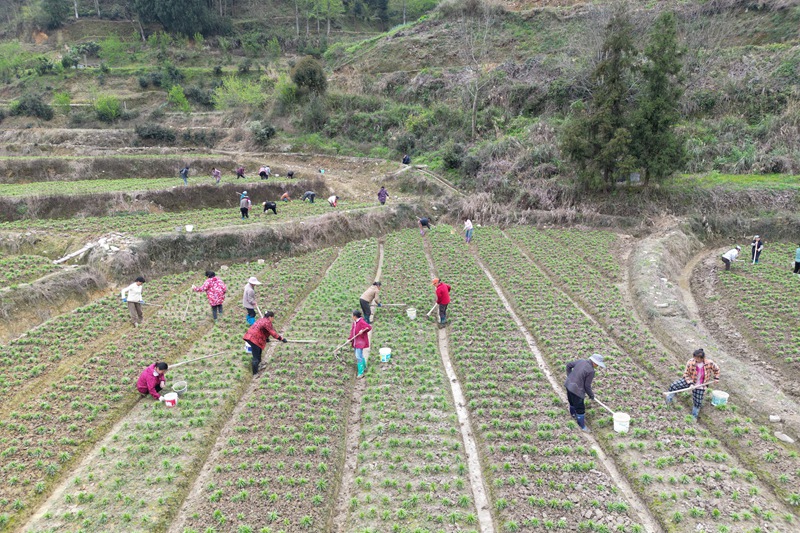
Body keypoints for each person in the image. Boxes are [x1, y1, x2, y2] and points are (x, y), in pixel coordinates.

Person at [666, 348, 721, 420]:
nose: (695, 360)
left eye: (696, 359)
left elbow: (717, 369)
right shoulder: (691, 362)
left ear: (702, 358)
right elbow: (686, 374)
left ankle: (693, 418)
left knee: (697, 402)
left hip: (701, 385)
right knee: (674, 386)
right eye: (694, 358)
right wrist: (691, 383)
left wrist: (716, 378)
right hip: (690, 381)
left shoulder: (709, 363)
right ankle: (667, 403)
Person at [565, 353, 606, 432]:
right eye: (597, 365)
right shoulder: (591, 371)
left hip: (568, 385)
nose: (597, 366)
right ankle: (582, 426)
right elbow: (587, 386)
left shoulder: (581, 361)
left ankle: (573, 414)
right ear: (594, 362)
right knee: (580, 409)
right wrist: (591, 395)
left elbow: (568, 365)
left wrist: (569, 376)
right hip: (577, 391)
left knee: (572, 402)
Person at [244, 311, 287, 375]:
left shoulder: (261, 320)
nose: (273, 319)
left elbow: (261, 330)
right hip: (254, 339)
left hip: (250, 336)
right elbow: (272, 333)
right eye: (273, 317)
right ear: (270, 317)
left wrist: (266, 338)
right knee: (256, 356)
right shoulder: (267, 322)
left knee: (259, 352)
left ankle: (258, 366)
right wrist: (281, 338)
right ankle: (255, 373)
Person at [350, 310, 372, 378]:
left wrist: (362, 331)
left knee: (358, 356)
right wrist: (350, 338)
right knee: (360, 356)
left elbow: (369, 327)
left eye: (352, 315)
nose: (351, 316)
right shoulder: (355, 322)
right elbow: (352, 331)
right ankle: (364, 367)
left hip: (360, 342)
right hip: (356, 341)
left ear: (355, 316)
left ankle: (360, 373)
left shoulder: (361, 321)